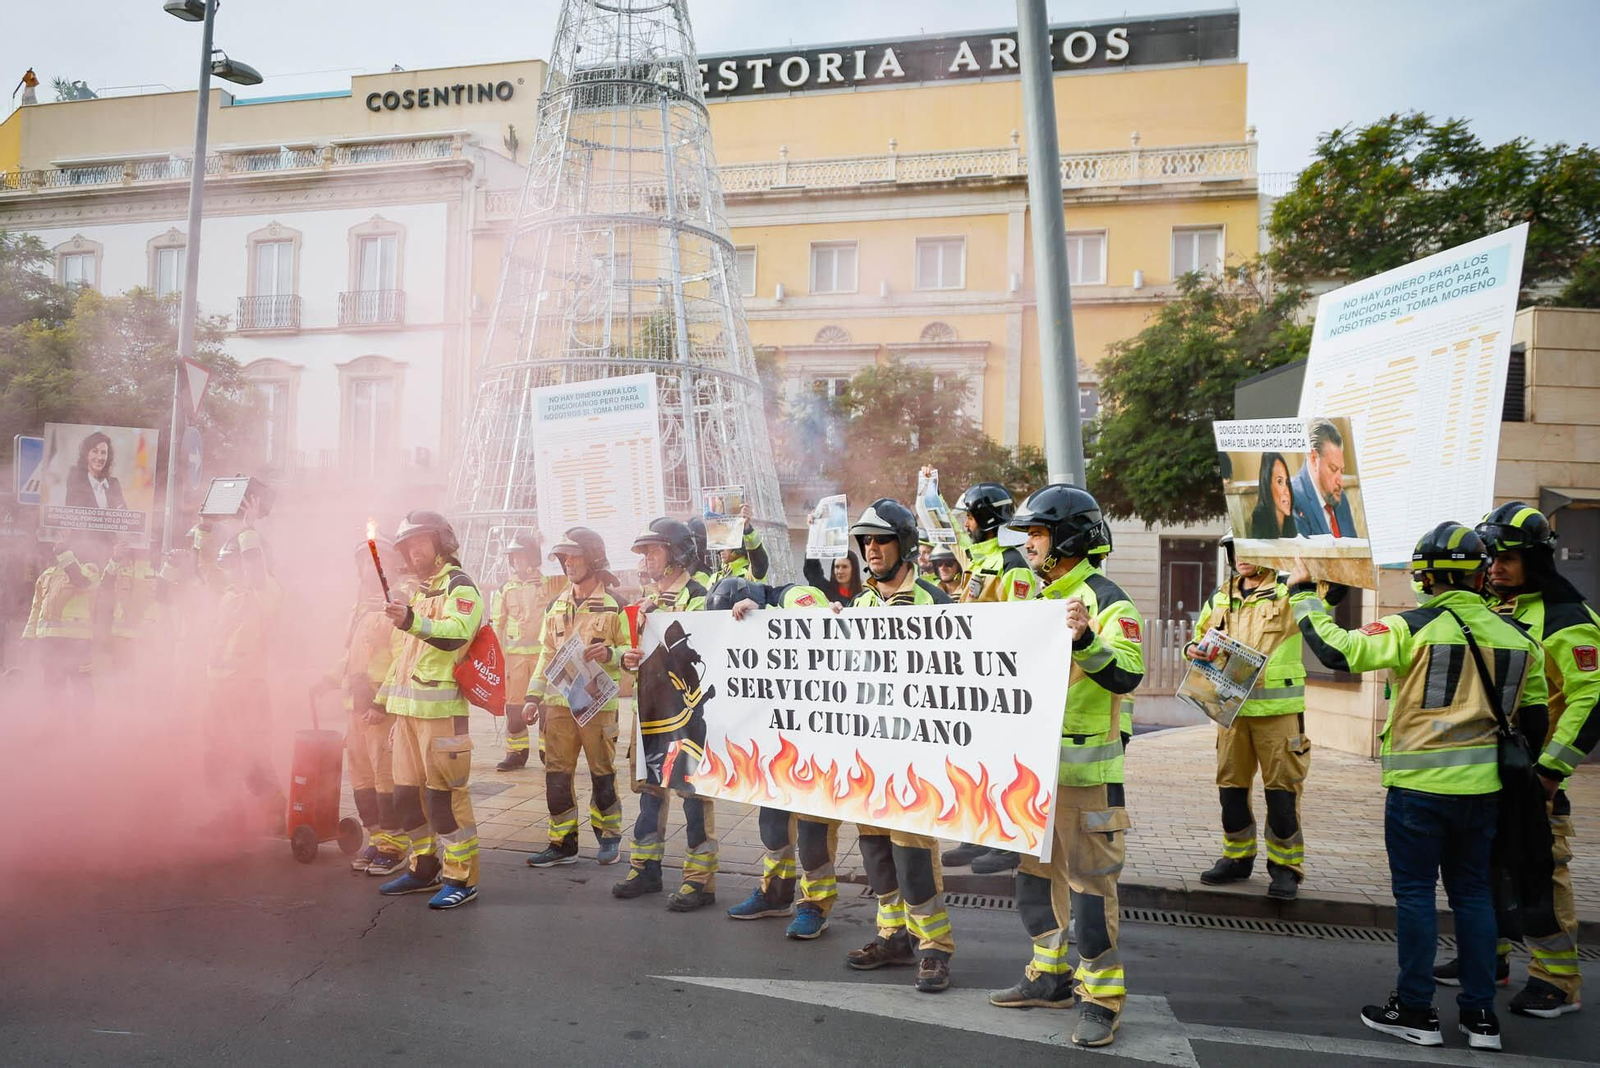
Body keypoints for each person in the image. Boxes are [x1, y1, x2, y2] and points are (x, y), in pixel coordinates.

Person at [1290, 522, 1548, 1051]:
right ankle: (1481, 1020)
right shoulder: (1521, 638)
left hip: (1418, 789)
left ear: (1425, 576)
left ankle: (1415, 1011)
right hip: (1484, 792)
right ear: (1479, 575)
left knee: (1415, 896)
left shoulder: (1409, 626)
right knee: (1474, 895)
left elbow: (1336, 651)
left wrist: (1302, 597)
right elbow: (1537, 718)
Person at [990, 484, 1141, 1050]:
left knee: (1090, 896)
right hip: (1032, 778)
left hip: (1085, 781)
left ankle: (1101, 999)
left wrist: (1085, 638)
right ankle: (1048, 976)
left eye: (1038, 533)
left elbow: (1127, 675)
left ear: (1067, 540)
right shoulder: (1035, 598)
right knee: (1033, 884)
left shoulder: (1108, 602)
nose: (1028, 543)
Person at [1471, 503, 1599, 1019]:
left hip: (1533, 776)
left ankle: (1557, 981)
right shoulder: (1492, 607)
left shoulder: (1568, 616)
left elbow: (1591, 699)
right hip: (1484, 770)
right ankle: (1489, 960)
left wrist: (1550, 772)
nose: (1497, 567)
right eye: (1490, 557)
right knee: (1482, 870)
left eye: (1509, 558)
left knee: (1541, 876)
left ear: (1537, 560)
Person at [843, 498, 956, 993]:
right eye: (865, 540)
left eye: (880, 539)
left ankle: (932, 948)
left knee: (912, 855)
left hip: (914, 755)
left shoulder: (935, 601)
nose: (871, 548)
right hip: (869, 754)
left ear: (904, 544)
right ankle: (892, 937)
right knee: (875, 852)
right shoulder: (859, 605)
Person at [1189, 534, 1334, 900]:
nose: (1240, 558)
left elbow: (1333, 592)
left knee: (1282, 792)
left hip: (1277, 713)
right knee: (1231, 789)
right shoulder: (1221, 594)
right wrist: (1194, 649)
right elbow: (1199, 637)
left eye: (1248, 551)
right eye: (1234, 551)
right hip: (1231, 710)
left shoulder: (1289, 589)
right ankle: (1237, 858)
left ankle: (1285, 868)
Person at [712, 575, 841, 940]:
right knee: (773, 825)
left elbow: (819, 625)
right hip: (776, 740)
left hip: (818, 738)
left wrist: (764, 615)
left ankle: (816, 905)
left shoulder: (795, 594)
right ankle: (775, 893)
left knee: (813, 832)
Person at [374, 510, 483, 910]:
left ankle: (462, 877)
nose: (413, 551)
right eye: (407, 545)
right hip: (407, 714)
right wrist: (382, 701)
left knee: (445, 801)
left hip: (442, 715)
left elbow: (456, 635)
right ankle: (424, 867)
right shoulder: (419, 592)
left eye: (420, 542)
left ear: (441, 542)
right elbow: (405, 654)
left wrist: (412, 619)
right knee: (405, 798)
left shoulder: (460, 586)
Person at [618, 517, 717, 910]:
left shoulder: (700, 594)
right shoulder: (647, 600)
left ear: (677, 553)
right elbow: (636, 660)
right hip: (649, 713)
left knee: (692, 794)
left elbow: (706, 650)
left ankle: (700, 880)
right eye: (644, 552)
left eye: (654, 550)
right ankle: (645, 868)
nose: (647, 559)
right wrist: (628, 659)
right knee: (649, 793)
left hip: (685, 714)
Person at [942, 481, 1038, 876]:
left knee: (1003, 766)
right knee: (976, 764)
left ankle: (1006, 841)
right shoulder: (978, 562)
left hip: (999, 684)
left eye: (968, 516)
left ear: (986, 519)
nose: (964, 523)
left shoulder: (1012, 566)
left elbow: (1020, 628)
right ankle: (977, 834)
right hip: (974, 682)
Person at [522, 526, 628, 868]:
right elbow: (545, 654)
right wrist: (532, 696)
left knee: (602, 773)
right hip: (557, 707)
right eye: (564, 558)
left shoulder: (616, 606)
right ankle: (562, 843)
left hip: (598, 708)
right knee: (557, 774)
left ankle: (609, 837)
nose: (568, 564)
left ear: (594, 559)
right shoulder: (555, 606)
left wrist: (610, 654)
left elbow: (631, 651)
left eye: (575, 557)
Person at [314, 536, 409, 877]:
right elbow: (350, 654)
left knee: (385, 778)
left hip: (379, 710)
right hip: (354, 707)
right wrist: (327, 680)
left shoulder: (397, 604)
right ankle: (378, 838)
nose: (367, 567)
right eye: (363, 562)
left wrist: (383, 702)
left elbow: (403, 660)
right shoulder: (361, 608)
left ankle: (395, 846)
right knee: (361, 777)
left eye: (374, 561)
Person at [204, 538, 288, 831]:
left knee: (252, 752)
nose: (229, 571)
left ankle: (277, 810)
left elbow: (256, 571)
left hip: (249, 687)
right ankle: (228, 812)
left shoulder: (266, 593)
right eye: (226, 565)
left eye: (233, 564)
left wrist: (250, 532)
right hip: (218, 687)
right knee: (216, 753)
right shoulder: (228, 597)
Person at [491, 532, 568, 772]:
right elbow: (497, 623)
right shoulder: (505, 589)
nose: (517, 562)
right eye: (513, 558)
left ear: (532, 558)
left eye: (521, 556)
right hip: (514, 661)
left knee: (546, 706)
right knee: (514, 707)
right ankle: (516, 753)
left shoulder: (549, 583)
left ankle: (549, 752)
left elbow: (568, 579)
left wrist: (546, 543)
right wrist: (493, 658)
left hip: (543, 658)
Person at [22, 539, 101, 716]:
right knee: (52, 686)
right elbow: (36, 608)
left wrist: (65, 554)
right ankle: (54, 728)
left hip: (77, 642)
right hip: (49, 641)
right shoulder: (47, 574)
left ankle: (85, 731)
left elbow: (81, 582)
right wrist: (28, 637)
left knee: (81, 685)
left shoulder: (88, 570)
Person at [1290, 420, 1356, 538]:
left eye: (1341, 471)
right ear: (1314, 458)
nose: (1340, 482)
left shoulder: (1341, 498)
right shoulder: (1293, 500)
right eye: (1333, 469)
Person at [63, 431, 128, 512]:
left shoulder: (114, 483)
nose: (99, 457)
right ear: (86, 454)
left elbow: (124, 515)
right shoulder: (76, 481)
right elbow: (73, 516)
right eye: (95, 451)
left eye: (103, 453)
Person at [708, 503, 769, 585]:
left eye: (724, 544)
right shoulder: (714, 578)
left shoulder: (749, 573)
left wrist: (747, 529)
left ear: (740, 545)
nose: (719, 550)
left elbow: (759, 561)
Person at [1248, 453, 1298, 539]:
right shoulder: (1260, 517)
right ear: (1268, 486)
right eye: (1279, 482)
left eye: (1286, 482)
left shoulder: (1292, 516)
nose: (1286, 491)